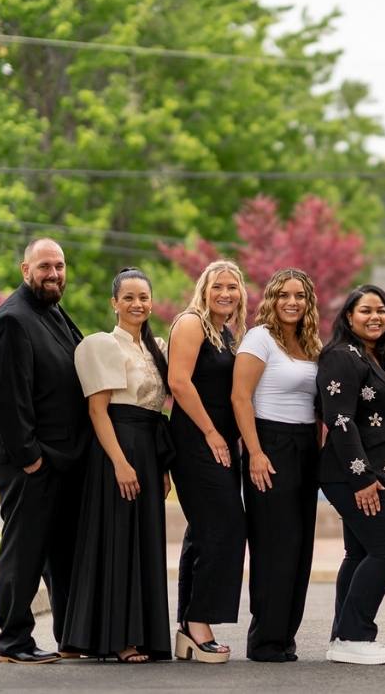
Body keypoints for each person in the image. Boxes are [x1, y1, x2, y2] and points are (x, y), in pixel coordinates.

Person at [0, 238, 91, 665]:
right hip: (25, 458)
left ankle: (70, 635)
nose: (54, 274)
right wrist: (29, 457)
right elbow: (7, 398)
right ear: (26, 269)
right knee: (24, 548)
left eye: (60, 266)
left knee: (60, 550)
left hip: (59, 457)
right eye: (45, 266)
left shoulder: (53, 311)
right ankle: (12, 641)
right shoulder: (13, 319)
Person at [62, 267, 173, 663]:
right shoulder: (103, 345)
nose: (137, 304)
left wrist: (161, 468)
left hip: (148, 448)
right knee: (119, 539)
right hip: (117, 449)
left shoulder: (157, 347)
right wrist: (121, 464)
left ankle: (143, 635)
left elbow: (158, 412)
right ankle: (119, 638)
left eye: (143, 297)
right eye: (128, 297)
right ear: (114, 303)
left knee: (144, 541)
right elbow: (97, 411)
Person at [318, 285, 385, 666]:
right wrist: (361, 479)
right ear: (349, 317)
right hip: (359, 474)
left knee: (359, 552)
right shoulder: (341, 356)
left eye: (382, 311)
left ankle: (343, 635)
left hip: (378, 473)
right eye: (366, 311)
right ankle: (355, 636)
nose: (375, 317)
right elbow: (339, 420)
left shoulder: (374, 358)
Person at [231, 269, 321, 663]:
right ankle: (264, 639)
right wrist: (255, 452)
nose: (292, 302)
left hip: (305, 447)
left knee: (301, 548)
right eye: (284, 295)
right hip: (270, 445)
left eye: (300, 296)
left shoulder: (309, 342)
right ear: (272, 298)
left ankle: (285, 636)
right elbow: (239, 398)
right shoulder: (259, 338)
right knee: (274, 546)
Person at [168, 260, 247, 663]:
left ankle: (187, 625)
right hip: (196, 441)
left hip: (220, 443)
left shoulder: (227, 333)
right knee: (225, 526)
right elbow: (179, 382)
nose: (226, 294)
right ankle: (199, 621)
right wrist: (212, 433)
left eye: (233, 287)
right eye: (219, 286)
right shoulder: (191, 323)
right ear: (205, 288)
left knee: (204, 531)